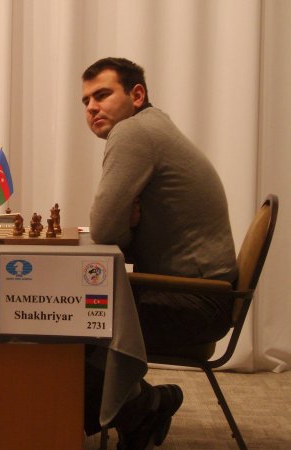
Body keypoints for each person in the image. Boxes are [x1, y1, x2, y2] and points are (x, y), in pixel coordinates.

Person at [81, 57, 238, 449]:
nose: (92, 107)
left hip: (194, 303)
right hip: (200, 296)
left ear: (137, 95)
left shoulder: (133, 132)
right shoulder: (154, 126)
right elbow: (113, 231)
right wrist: (126, 223)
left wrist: (125, 224)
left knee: (69, 323)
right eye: (85, 101)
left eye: (102, 95)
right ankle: (146, 407)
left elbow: (104, 230)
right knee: (75, 312)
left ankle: (141, 409)